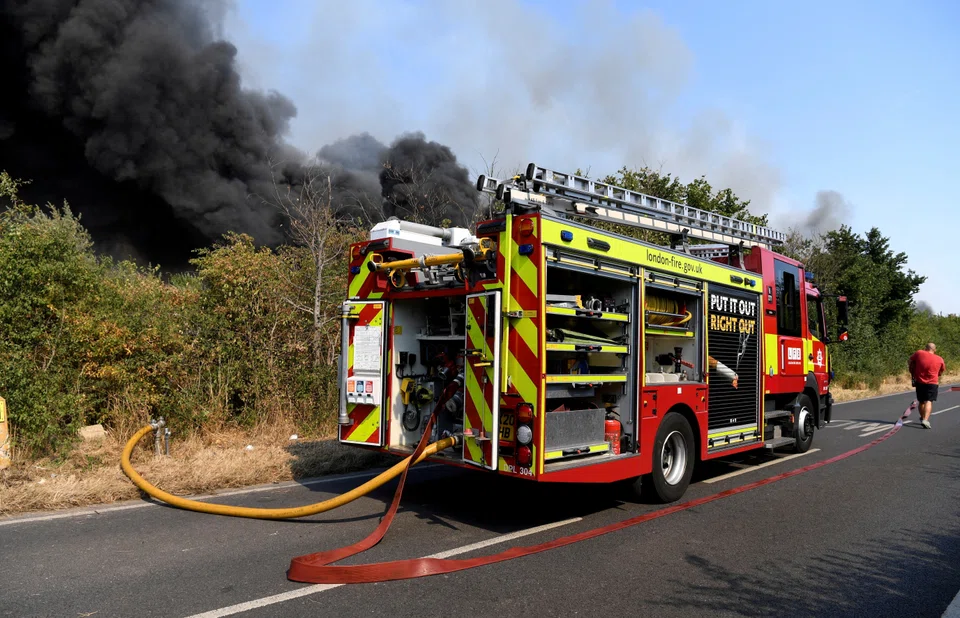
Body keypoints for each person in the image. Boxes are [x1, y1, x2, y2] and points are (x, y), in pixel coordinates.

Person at [908, 342, 946, 429]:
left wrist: (912, 371)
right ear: (934, 350)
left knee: (921, 401)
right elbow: (941, 371)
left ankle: (922, 418)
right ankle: (925, 419)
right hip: (932, 383)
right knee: (929, 401)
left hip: (920, 382)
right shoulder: (940, 359)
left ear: (926, 348)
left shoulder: (919, 353)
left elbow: (910, 361)